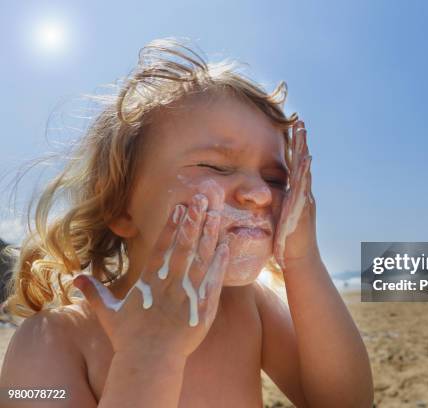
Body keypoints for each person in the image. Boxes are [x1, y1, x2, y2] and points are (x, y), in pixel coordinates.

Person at [0, 38, 373, 407]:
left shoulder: (245, 305)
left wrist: (303, 260)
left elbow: (343, 401)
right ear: (121, 208)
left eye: (275, 179)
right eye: (215, 166)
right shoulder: (51, 340)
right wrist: (147, 359)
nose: (260, 194)